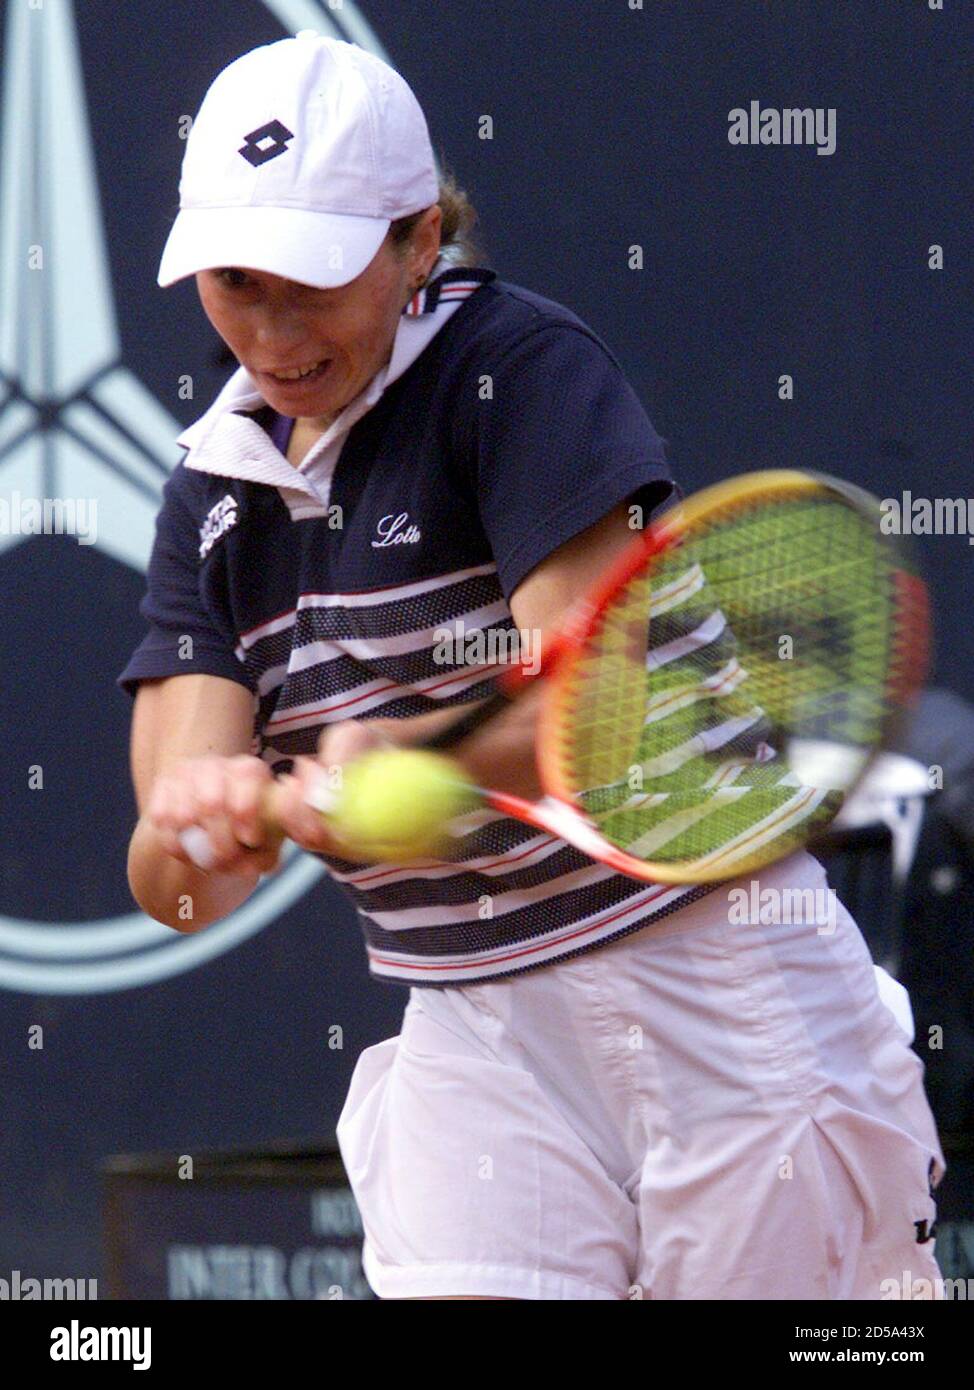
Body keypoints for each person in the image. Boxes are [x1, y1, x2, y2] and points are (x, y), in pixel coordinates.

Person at [120, 33, 945, 1301]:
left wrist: (414, 752)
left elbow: (602, 697)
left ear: (414, 242)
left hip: (715, 983)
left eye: (314, 277)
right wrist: (206, 835)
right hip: (480, 1034)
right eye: (235, 282)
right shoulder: (209, 500)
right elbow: (170, 887)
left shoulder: (514, 371)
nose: (272, 331)